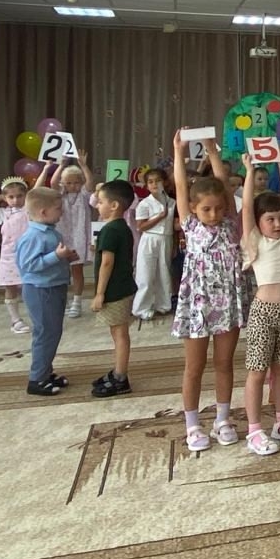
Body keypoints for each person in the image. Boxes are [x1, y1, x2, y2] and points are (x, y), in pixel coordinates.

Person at [171, 128, 250, 452]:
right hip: (197, 304)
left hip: (227, 303)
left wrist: (212, 151)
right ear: (193, 208)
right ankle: (192, 424)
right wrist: (179, 152)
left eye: (218, 208)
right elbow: (180, 186)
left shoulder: (231, 222)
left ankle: (222, 419)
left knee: (224, 363)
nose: (214, 214)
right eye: (206, 209)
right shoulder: (190, 225)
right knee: (194, 367)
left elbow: (224, 186)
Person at [239, 153, 280, 456]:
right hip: (264, 313)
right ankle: (254, 430)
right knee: (257, 371)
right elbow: (246, 208)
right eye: (270, 219)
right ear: (258, 223)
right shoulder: (255, 241)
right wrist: (249, 171)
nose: (278, 223)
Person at [14, 186, 78, 396]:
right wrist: (56, 256)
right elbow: (28, 265)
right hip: (40, 290)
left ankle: (45, 372)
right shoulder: (33, 236)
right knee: (45, 333)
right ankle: (36, 379)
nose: (62, 212)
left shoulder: (51, 232)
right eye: (58, 209)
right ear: (43, 212)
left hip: (54, 286)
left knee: (53, 331)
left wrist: (65, 257)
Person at [0, 169, 51, 334]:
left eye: (19, 196)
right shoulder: (2, 213)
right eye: (11, 197)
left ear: (26, 196)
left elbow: (37, 188)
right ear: (6, 198)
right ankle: (15, 320)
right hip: (10, 257)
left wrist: (46, 169)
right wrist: (0, 197)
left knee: (32, 286)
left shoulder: (29, 211)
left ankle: (38, 316)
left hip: (30, 254)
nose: (16, 200)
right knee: (11, 287)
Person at [90, 179, 137, 397]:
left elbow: (107, 263)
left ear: (114, 205)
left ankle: (120, 377)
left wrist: (99, 293)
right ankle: (118, 371)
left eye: (101, 202)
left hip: (115, 290)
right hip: (123, 286)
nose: (97, 206)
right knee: (118, 331)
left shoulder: (110, 230)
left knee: (119, 334)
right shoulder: (122, 228)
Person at [51, 155, 94, 318]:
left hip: (79, 236)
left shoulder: (84, 194)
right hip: (62, 236)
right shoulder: (60, 195)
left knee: (77, 270)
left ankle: (77, 301)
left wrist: (83, 166)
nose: (72, 185)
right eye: (68, 182)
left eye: (76, 182)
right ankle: (63, 300)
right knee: (61, 271)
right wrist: (61, 165)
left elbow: (90, 183)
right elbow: (53, 183)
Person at [134, 168, 175, 320]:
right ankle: (141, 308)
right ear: (146, 185)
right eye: (150, 182)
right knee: (145, 273)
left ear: (165, 182)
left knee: (164, 272)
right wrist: (159, 216)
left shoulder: (172, 202)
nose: (154, 184)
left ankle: (163, 305)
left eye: (158, 181)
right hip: (150, 239)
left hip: (166, 238)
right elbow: (141, 226)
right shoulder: (145, 204)